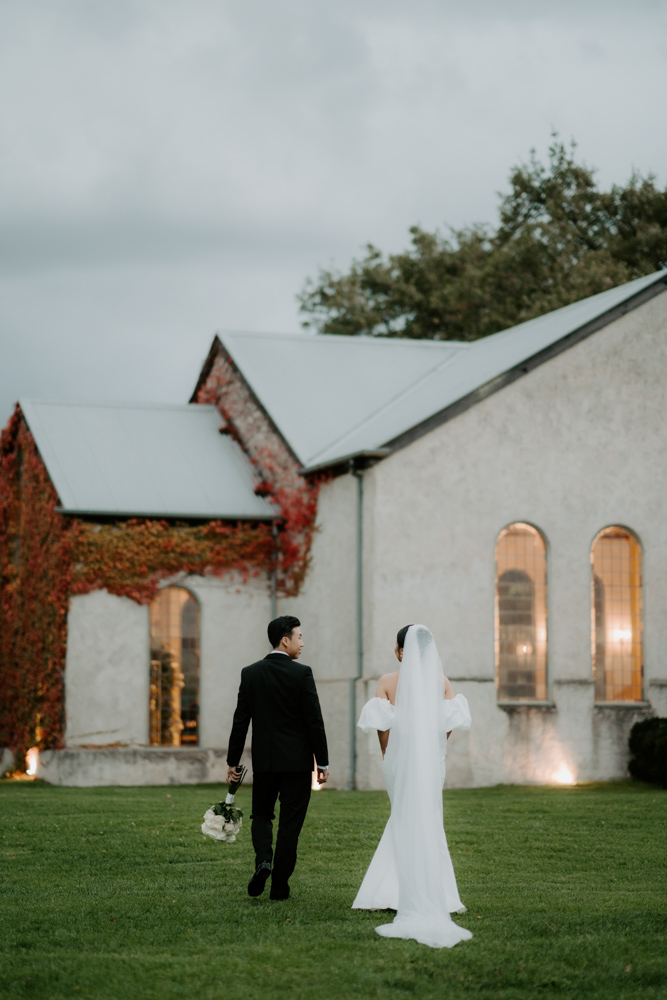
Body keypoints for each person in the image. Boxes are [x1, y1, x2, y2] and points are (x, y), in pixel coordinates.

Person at [352, 624, 473, 948]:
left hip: (397, 760)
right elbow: (448, 724)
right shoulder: (441, 682)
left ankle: (387, 890)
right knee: (428, 818)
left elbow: (381, 725)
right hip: (432, 762)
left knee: (403, 817)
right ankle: (436, 893)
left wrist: (386, 753)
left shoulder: (388, 681)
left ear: (400, 650)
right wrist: (435, 748)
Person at [226, 615, 329, 900]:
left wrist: (232, 762)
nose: (302, 643)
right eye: (299, 637)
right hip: (297, 762)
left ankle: (263, 860)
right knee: (290, 824)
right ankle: (280, 886)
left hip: (265, 761)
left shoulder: (250, 673)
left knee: (261, 814)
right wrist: (322, 762)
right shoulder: (302, 673)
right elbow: (314, 721)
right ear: (285, 640)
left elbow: (240, 721)